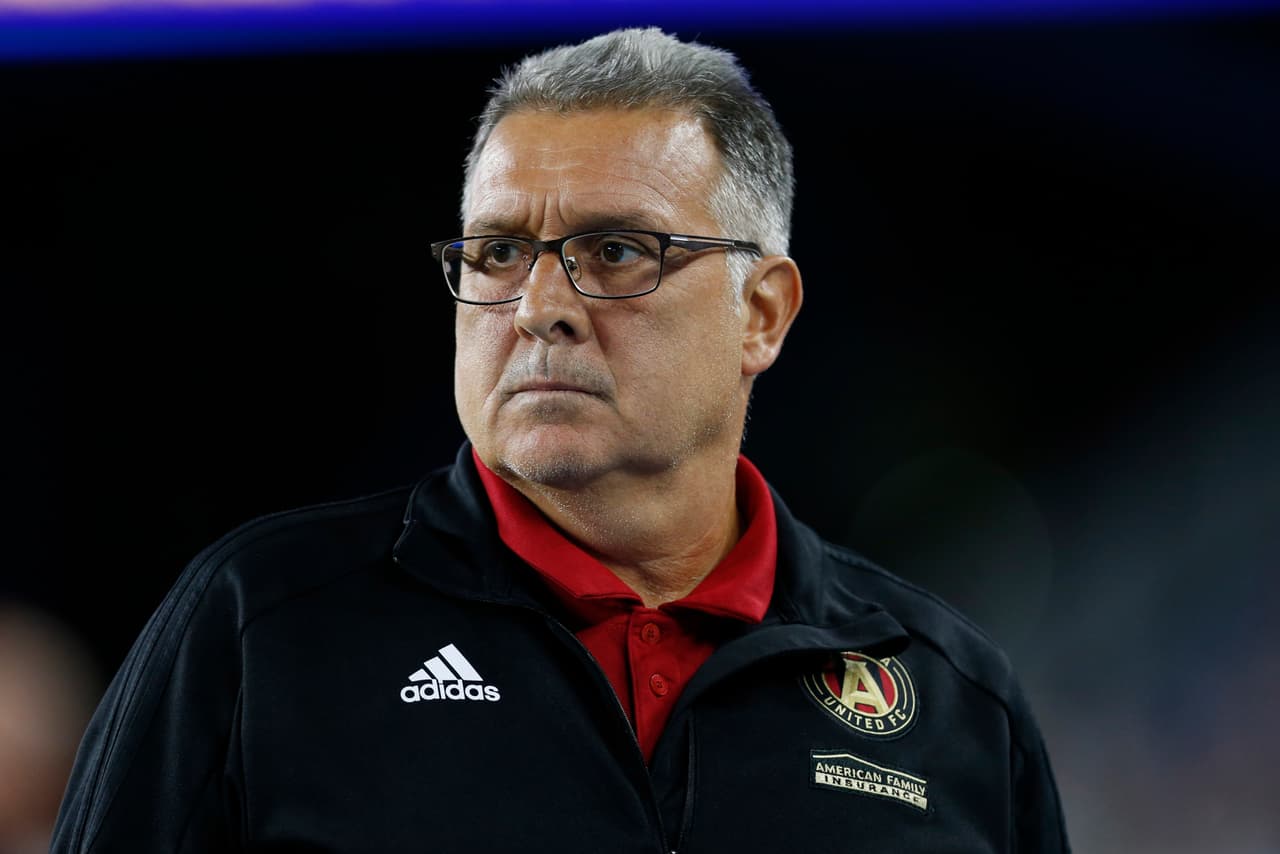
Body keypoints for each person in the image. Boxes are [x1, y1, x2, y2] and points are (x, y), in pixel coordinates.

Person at [52, 28, 1069, 852]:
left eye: (615, 249)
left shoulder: (952, 698)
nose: (539, 305)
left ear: (759, 312)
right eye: (497, 251)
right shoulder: (258, 629)